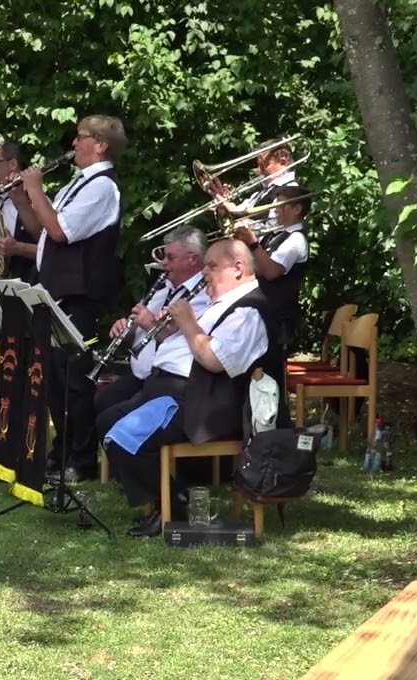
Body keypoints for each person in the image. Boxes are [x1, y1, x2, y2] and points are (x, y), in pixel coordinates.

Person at [97, 239, 271, 537]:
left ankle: (173, 506)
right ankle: (174, 498)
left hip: (198, 399)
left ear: (238, 268)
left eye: (212, 266)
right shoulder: (221, 303)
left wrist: (188, 322)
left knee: (122, 438)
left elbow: (214, 360)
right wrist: (168, 327)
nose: (204, 273)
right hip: (168, 388)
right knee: (105, 420)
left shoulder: (249, 310)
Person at [18, 114, 126, 483]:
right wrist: (21, 196)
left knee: (75, 379)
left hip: (81, 295)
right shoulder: (78, 185)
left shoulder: (101, 188)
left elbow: (61, 232)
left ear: (101, 145)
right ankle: (61, 449)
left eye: (81, 138)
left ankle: (82, 459)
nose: (74, 144)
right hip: (57, 291)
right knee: (53, 377)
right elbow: (43, 230)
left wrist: (34, 187)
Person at [96, 225, 209, 416]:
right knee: (104, 401)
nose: (163, 263)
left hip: (167, 379)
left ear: (193, 259)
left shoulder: (203, 295)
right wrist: (126, 330)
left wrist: (149, 323)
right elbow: (139, 331)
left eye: (170, 257)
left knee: (112, 416)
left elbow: (182, 344)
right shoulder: (162, 289)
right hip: (140, 375)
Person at [239, 185, 311, 392]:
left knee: (269, 379)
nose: (276, 211)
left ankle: (275, 421)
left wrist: (253, 244)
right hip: (265, 316)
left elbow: (271, 272)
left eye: (281, 206)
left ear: (297, 209)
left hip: (277, 319)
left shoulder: (296, 240)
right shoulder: (277, 236)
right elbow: (259, 268)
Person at [206, 138, 298, 227]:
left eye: (263, 165)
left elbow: (271, 231)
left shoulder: (290, 192)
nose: (258, 170)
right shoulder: (262, 192)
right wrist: (222, 206)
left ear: (282, 162)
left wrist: (233, 212)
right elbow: (233, 217)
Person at [0, 140, 41, 282]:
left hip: (21, 286)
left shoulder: (36, 199)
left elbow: (49, 250)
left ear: (12, 164)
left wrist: (17, 248)